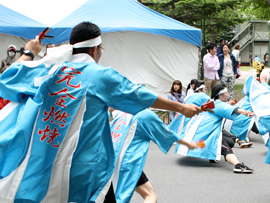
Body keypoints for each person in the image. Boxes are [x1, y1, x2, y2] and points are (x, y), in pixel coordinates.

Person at [0, 22, 202, 202]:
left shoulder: (48, 70)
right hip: (81, 170)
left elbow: (7, 80)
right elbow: (139, 94)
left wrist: (29, 52)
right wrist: (181, 107)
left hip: (39, 164)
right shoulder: (100, 76)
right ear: (96, 49)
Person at [109, 108, 199, 203]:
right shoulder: (145, 114)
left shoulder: (123, 112)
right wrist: (189, 144)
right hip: (128, 163)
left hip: (111, 160)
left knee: (148, 194)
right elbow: (167, 134)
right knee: (150, 196)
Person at [176, 84, 254, 173]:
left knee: (230, 141)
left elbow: (221, 107)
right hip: (206, 134)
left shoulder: (211, 103)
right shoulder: (218, 104)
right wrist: (246, 112)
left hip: (201, 133)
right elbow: (229, 109)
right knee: (225, 148)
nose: (228, 95)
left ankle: (210, 153)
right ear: (220, 95)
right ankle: (238, 165)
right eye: (226, 93)